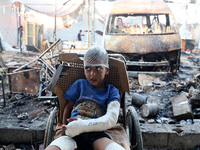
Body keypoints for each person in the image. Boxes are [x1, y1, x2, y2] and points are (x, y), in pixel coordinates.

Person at [45, 45, 125, 150]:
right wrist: (65, 128)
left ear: (107, 70)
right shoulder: (79, 84)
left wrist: (82, 125)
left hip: (96, 134)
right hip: (73, 133)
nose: (92, 74)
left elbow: (111, 117)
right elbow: (68, 107)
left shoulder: (112, 91)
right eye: (88, 68)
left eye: (98, 68)